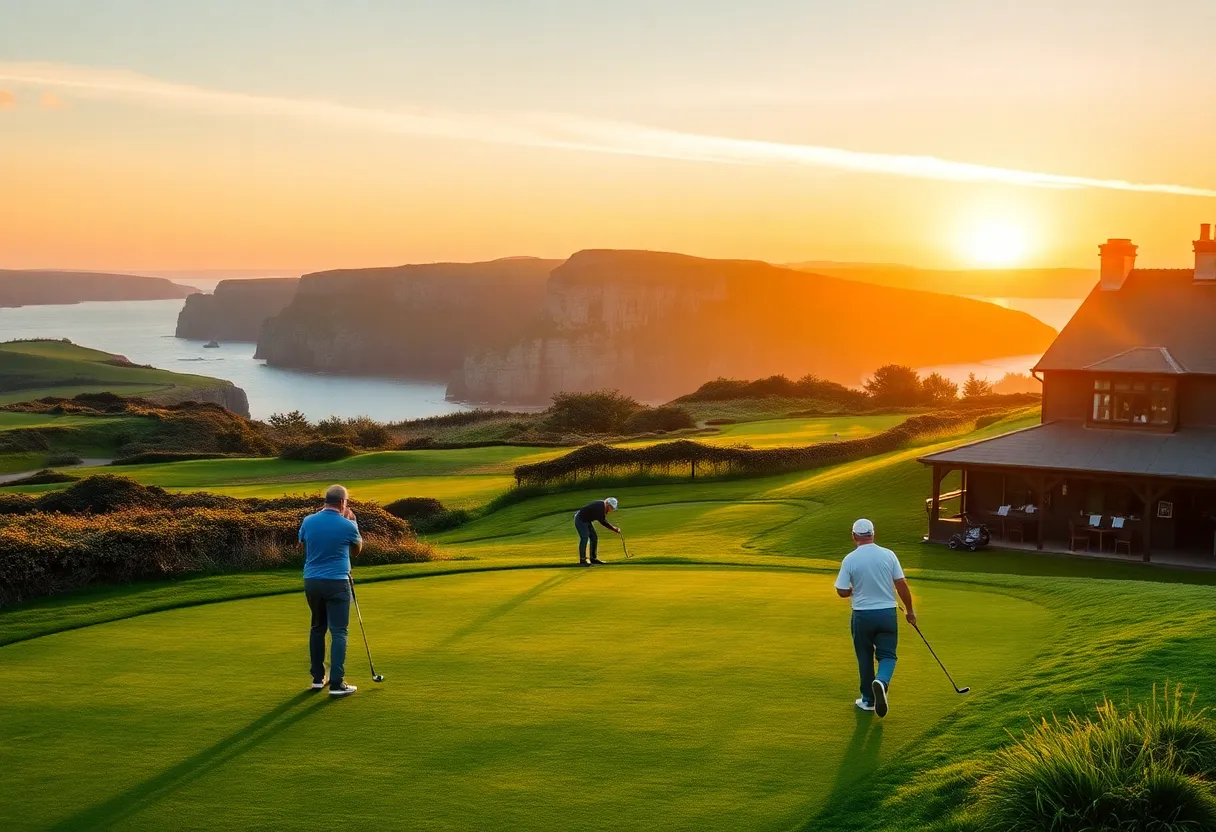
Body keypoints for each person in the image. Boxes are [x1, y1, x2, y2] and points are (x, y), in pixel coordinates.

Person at [833, 518, 915, 718]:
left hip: (862, 615)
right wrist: (910, 611)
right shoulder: (888, 554)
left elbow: (841, 590)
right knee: (888, 655)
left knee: (864, 656)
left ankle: (868, 700)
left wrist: (851, 591)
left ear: (854, 536)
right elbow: (901, 584)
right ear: (873, 534)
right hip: (887, 614)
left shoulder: (850, 559)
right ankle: (882, 681)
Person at [299, 484, 363, 696]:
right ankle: (337, 683)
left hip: (312, 581)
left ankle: (317, 679)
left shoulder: (308, 521)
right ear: (343, 502)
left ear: (325, 501)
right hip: (337, 582)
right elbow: (356, 551)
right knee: (339, 631)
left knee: (317, 627)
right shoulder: (348, 525)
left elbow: (302, 545)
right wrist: (353, 523)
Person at [574, 497, 620, 566]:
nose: (611, 510)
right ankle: (582, 560)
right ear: (607, 504)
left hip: (587, 520)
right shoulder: (600, 508)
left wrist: (614, 529)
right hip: (580, 520)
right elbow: (603, 522)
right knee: (584, 538)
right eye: (611, 508)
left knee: (594, 538)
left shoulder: (602, 506)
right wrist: (614, 529)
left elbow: (603, 520)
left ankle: (593, 559)